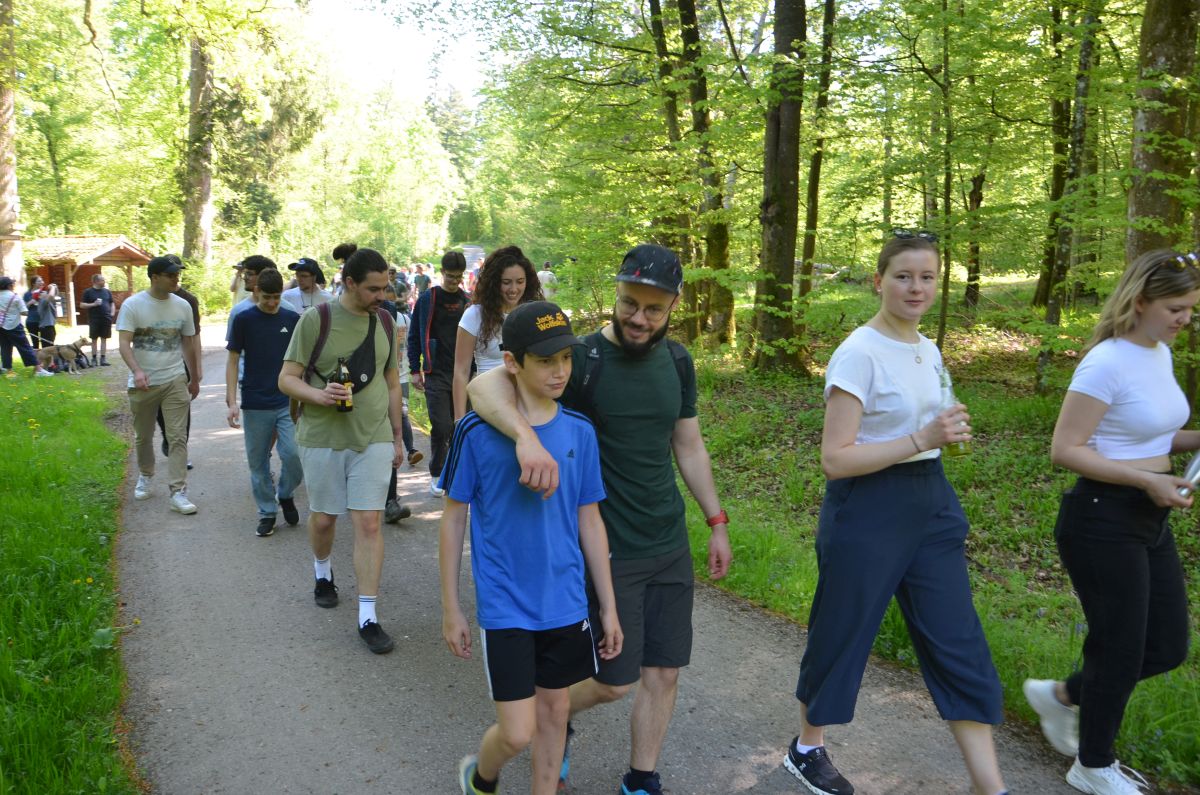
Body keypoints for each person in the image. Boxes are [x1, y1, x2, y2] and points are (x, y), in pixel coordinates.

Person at [467, 244, 732, 795]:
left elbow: (688, 445)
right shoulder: (580, 359)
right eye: (630, 303)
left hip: (667, 541)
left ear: (675, 304)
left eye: (654, 309)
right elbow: (483, 386)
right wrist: (524, 437)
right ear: (616, 292)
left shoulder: (677, 362)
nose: (639, 318)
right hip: (609, 548)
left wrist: (716, 520)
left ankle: (641, 778)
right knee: (613, 682)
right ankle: (553, 715)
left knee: (664, 671)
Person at [784, 232, 1007, 795]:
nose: (916, 287)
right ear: (878, 281)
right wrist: (920, 438)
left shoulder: (928, 349)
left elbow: (930, 423)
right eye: (903, 276)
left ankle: (990, 786)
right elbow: (835, 459)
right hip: (868, 505)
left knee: (958, 639)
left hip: (930, 502)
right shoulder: (859, 352)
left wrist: (943, 433)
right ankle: (807, 747)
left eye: (927, 277)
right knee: (843, 629)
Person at [1024, 249, 1198, 795]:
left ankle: (1061, 696)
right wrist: (1147, 481)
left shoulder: (1158, 353)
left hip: (1148, 517)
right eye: (1175, 308)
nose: (1185, 319)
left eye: (1191, 309)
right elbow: (1066, 449)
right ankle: (1093, 764)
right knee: (1118, 648)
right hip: (1102, 518)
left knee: (1166, 646)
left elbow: (1150, 435)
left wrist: (1192, 443)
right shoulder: (1107, 362)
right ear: (1140, 301)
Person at [440, 301, 622, 795]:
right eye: (545, 361)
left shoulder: (580, 431)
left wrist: (607, 607)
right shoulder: (476, 432)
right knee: (518, 732)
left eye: (565, 358)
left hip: (565, 601)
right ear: (512, 362)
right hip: (506, 606)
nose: (559, 371)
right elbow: (454, 517)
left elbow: (590, 520)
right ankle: (482, 775)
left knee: (556, 713)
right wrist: (452, 608)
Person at [278, 246, 406, 655]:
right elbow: (287, 378)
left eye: (385, 288)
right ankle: (322, 572)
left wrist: (398, 436)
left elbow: (391, 382)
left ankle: (368, 616)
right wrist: (318, 395)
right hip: (323, 438)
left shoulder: (385, 321)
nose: (382, 296)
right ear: (349, 283)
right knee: (324, 520)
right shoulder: (317, 320)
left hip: (373, 436)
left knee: (369, 522)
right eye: (373, 289)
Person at [116, 255, 201, 514]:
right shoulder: (133, 305)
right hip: (144, 383)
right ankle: (146, 474)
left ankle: (178, 492)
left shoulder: (183, 305)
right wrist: (137, 371)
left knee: (177, 437)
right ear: (155, 277)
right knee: (143, 436)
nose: (176, 279)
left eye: (177, 274)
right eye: (171, 275)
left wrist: (194, 377)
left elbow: (188, 343)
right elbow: (124, 343)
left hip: (174, 379)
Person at [226, 267, 304, 538]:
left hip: (286, 400)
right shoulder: (243, 319)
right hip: (255, 401)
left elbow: (303, 360)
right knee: (258, 461)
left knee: (294, 455)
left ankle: (285, 493)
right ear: (257, 291)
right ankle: (267, 512)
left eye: (276, 297)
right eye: (267, 297)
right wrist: (231, 400)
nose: (272, 303)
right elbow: (233, 360)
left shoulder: (291, 318)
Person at [453, 245, 543, 421]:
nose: (514, 289)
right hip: (488, 406)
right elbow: (461, 371)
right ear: (494, 282)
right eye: (506, 282)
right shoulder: (474, 315)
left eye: (520, 281)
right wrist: (459, 420)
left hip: (527, 407)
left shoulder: (534, 313)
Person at [408, 251, 470, 495]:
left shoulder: (467, 301)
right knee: (441, 425)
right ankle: (437, 472)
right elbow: (414, 335)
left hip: (463, 374)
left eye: (458, 276)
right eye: (450, 276)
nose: (454, 281)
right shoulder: (428, 299)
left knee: (460, 426)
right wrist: (415, 369)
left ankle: (454, 472)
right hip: (436, 372)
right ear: (442, 273)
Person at [380, 283, 417, 525]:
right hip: (365, 392)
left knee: (390, 439)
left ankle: (390, 501)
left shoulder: (398, 317)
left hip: (394, 382)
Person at [0, 276, 46, 376]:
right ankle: (38, 370)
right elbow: (24, 312)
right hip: (14, 325)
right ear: (9, 286)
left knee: (5, 348)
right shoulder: (15, 297)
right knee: (25, 347)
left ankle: (9, 371)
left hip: (1, 326)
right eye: (12, 284)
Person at [80, 273, 115, 366]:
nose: (104, 281)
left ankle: (103, 359)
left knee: (104, 339)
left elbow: (112, 303)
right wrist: (93, 304)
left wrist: (112, 313)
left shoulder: (107, 292)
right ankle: (94, 359)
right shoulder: (88, 292)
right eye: (102, 280)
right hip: (94, 319)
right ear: (96, 281)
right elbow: (82, 305)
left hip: (106, 319)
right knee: (94, 339)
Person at [36, 283, 59, 351]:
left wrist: (54, 287)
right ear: (40, 295)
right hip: (46, 328)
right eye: (43, 292)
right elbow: (51, 296)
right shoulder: (42, 301)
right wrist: (52, 287)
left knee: (50, 348)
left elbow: (53, 295)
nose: (45, 292)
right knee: (48, 349)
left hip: (50, 327)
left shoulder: (49, 302)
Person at [23, 275, 44, 349]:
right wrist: (31, 302)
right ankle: (36, 356)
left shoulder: (44, 293)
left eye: (42, 280)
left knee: (45, 343)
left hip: (43, 321)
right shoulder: (27, 294)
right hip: (31, 321)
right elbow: (23, 308)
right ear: (33, 283)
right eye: (39, 281)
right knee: (35, 343)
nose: (42, 282)